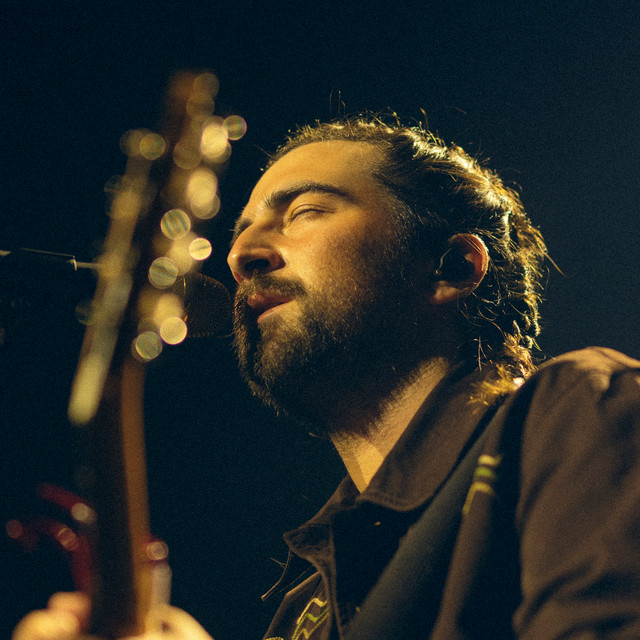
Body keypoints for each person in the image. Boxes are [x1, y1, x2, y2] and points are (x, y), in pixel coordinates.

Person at [13, 116, 640, 639]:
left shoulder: (579, 413)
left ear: (452, 265)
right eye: (240, 232)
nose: (241, 255)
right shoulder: (307, 605)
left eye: (306, 211)